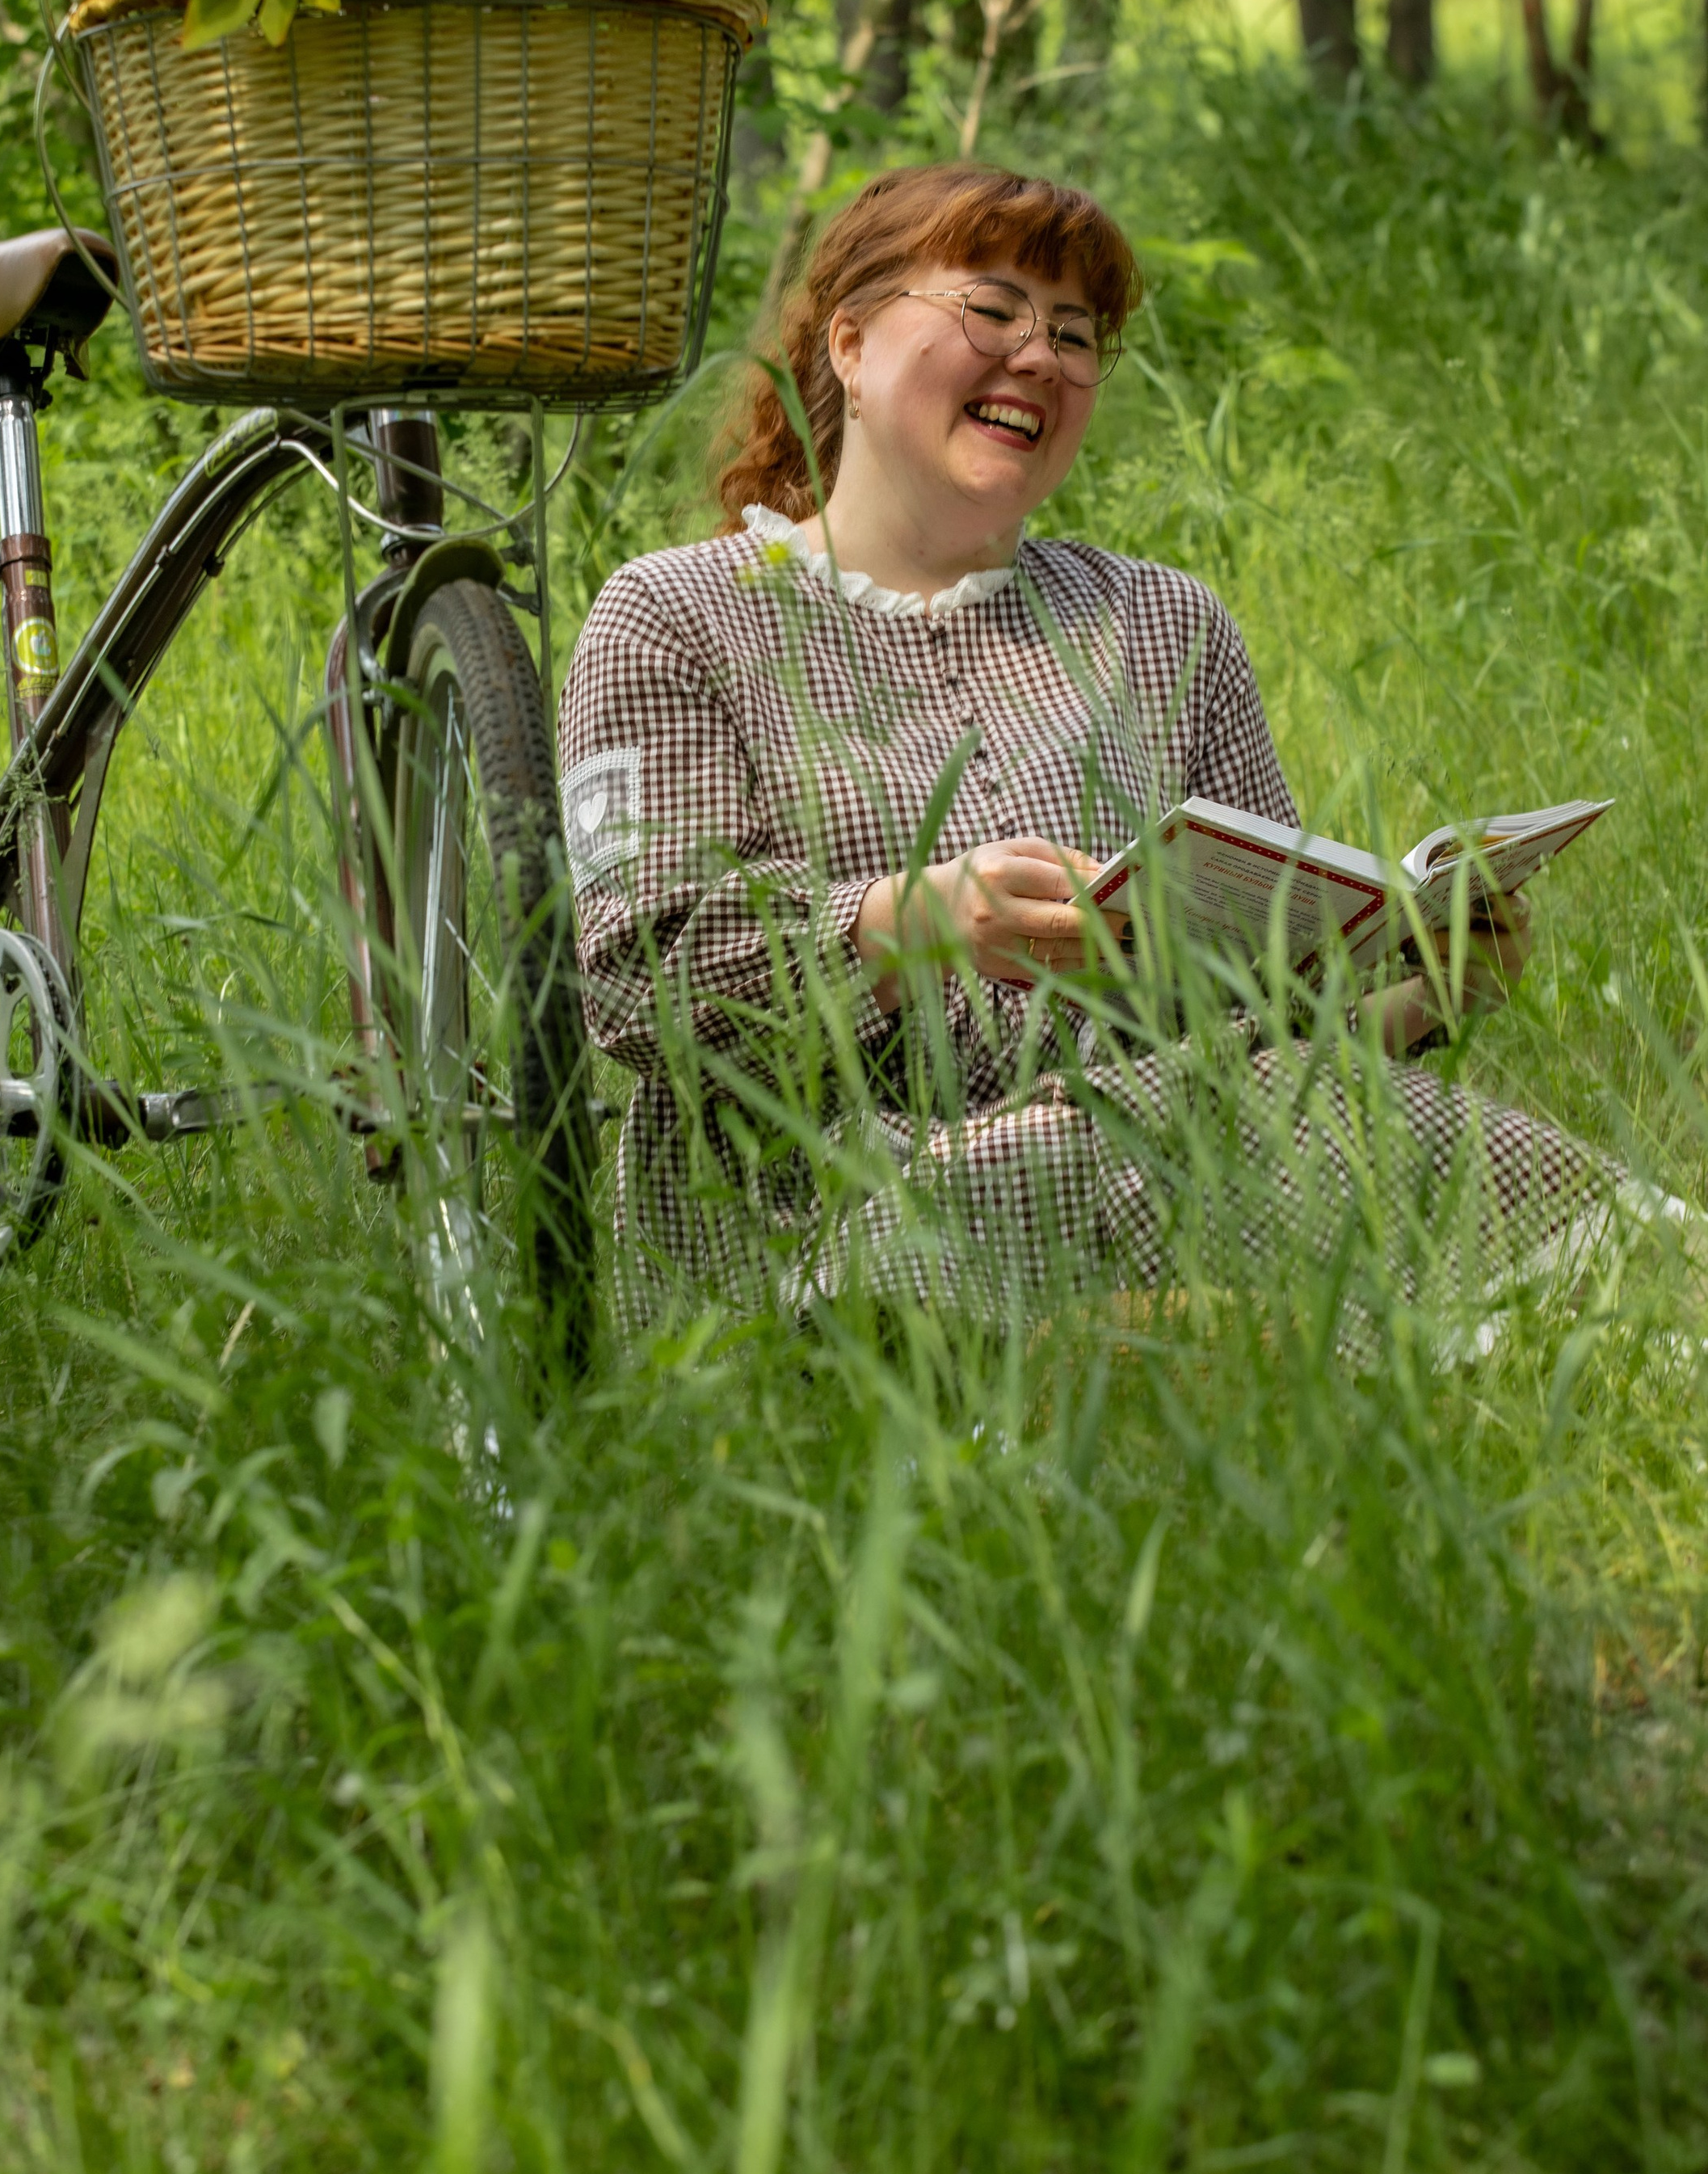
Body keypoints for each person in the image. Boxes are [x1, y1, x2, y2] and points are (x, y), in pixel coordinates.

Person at [556, 162, 1612, 1328]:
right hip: (831, 1209)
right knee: (1063, 1200)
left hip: (1178, 1149)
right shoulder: (675, 615)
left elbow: (1269, 1033)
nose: (1041, 357)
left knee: (1488, 1203)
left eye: (1075, 333)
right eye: (993, 310)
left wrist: (1423, 997)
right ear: (849, 345)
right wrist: (910, 921)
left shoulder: (1164, 625)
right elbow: (632, 981)